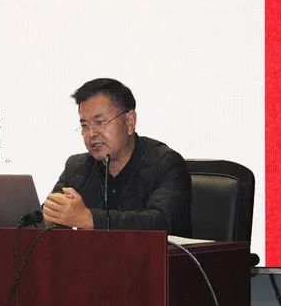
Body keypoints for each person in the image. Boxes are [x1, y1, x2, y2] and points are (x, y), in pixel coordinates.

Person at [41, 78, 191, 236]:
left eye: (100, 122)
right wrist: (44, 218)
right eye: (85, 125)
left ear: (130, 121)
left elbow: (162, 222)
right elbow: (45, 213)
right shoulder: (77, 167)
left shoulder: (166, 163)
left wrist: (89, 219)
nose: (91, 133)